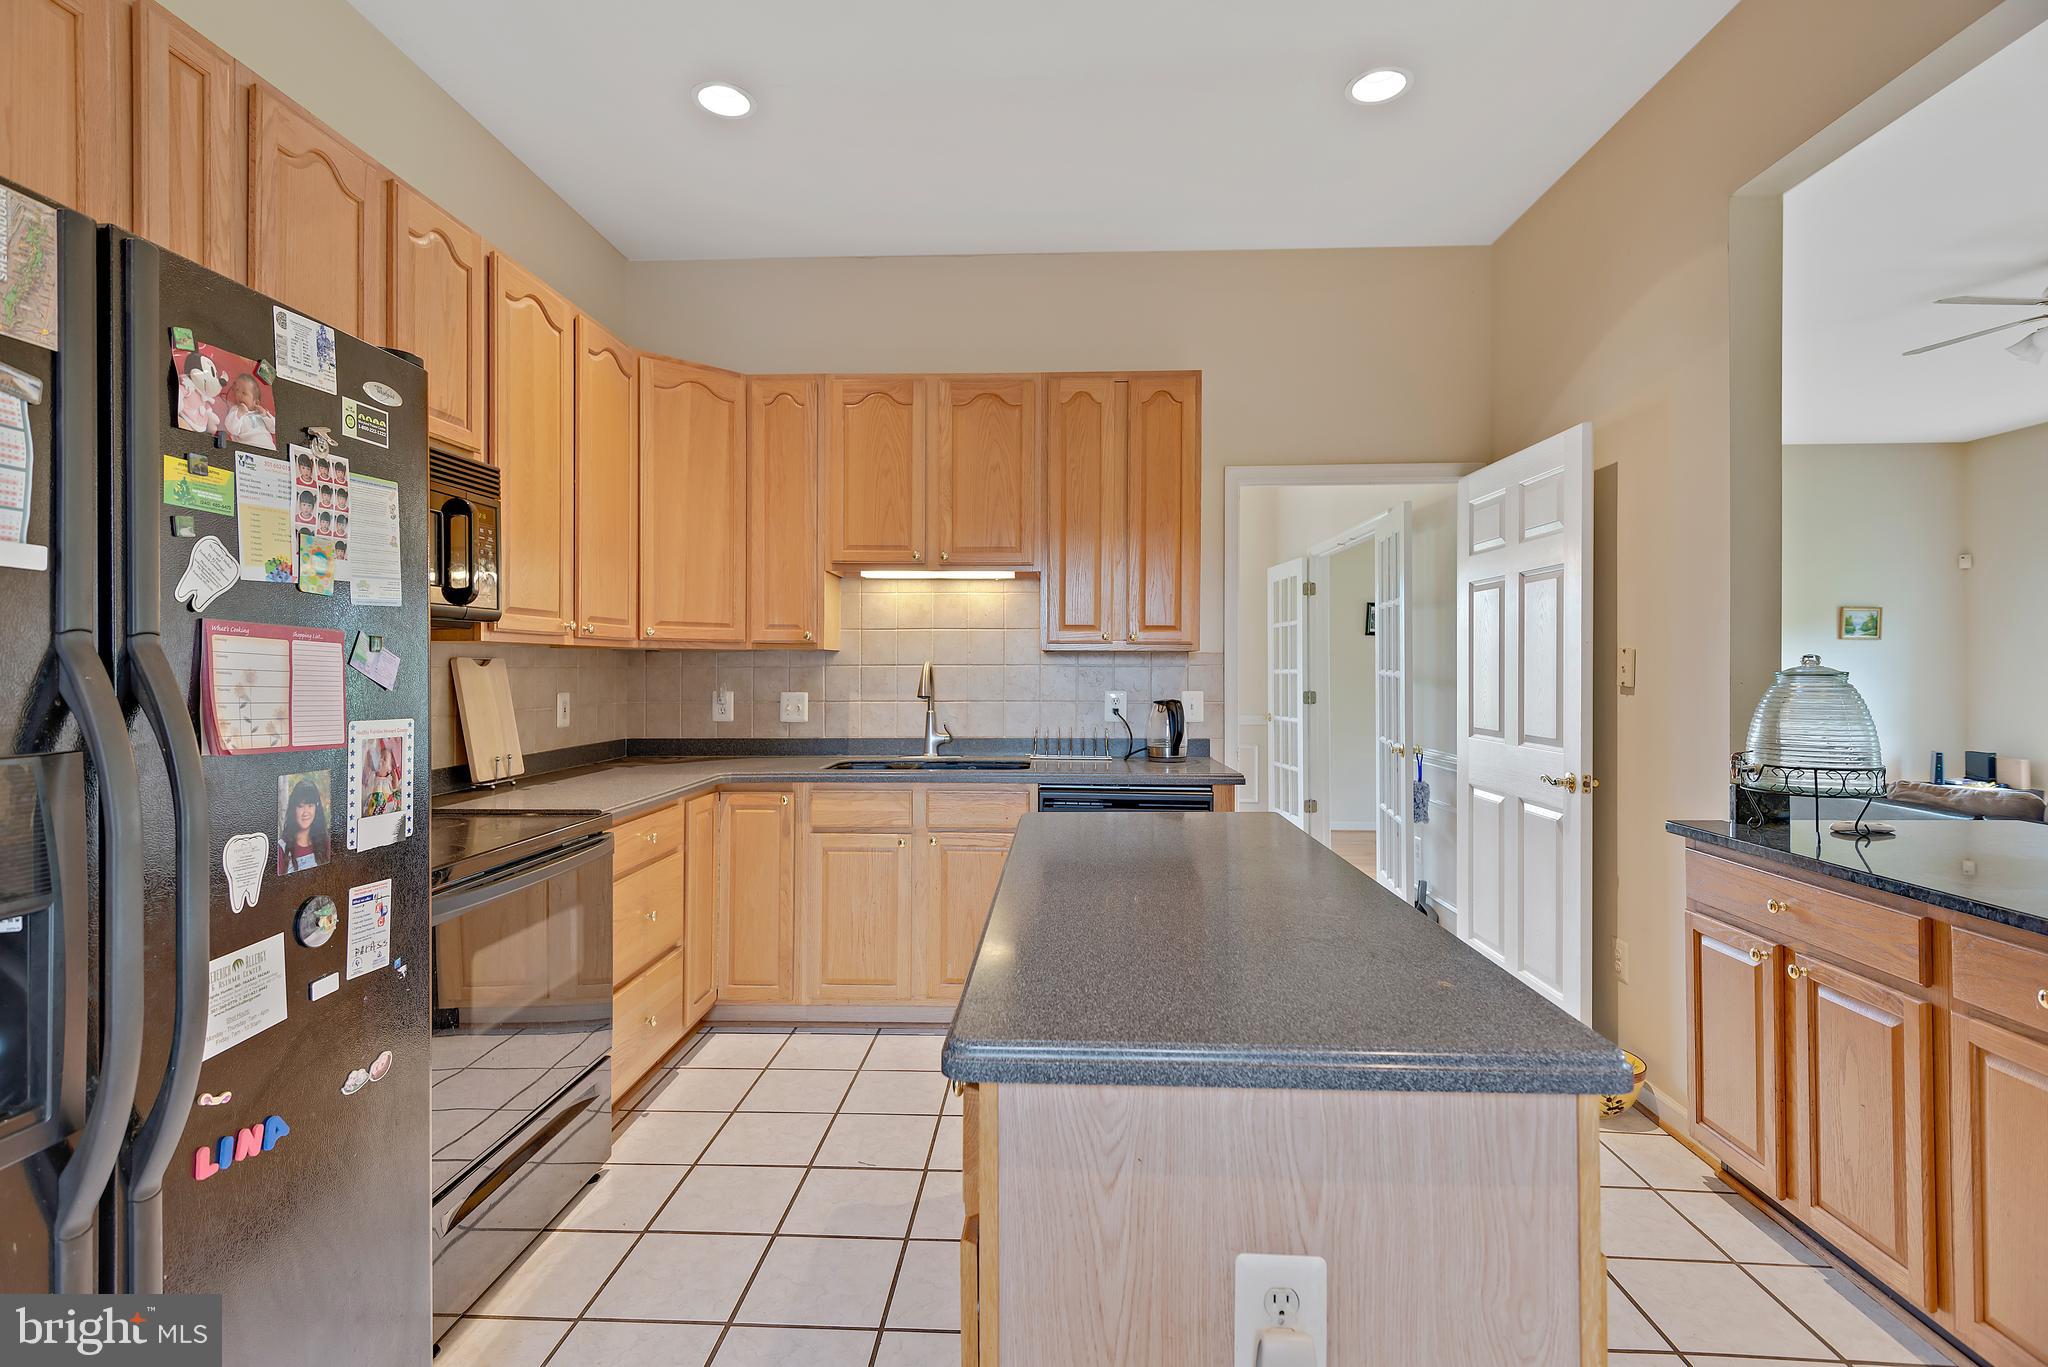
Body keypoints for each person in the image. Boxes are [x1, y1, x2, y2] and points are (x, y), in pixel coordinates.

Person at [277, 777, 328, 874]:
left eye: (310, 805)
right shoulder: (281, 849)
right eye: (300, 806)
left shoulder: (325, 843)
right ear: (293, 809)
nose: (306, 812)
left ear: (316, 808)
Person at [220, 372, 276, 449]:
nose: (238, 395)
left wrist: (265, 415)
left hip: (268, 447)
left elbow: (274, 429)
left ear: (255, 402)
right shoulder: (236, 410)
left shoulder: (261, 413)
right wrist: (240, 413)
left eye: (244, 393)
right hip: (248, 448)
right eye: (237, 391)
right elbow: (231, 429)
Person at [363, 740, 401, 816]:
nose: (381, 760)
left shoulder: (388, 779)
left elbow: (395, 785)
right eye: (380, 757)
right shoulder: (373, 775)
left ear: (389, 768)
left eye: (384, 759)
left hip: (386, 801)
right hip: (374, 801)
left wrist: (393, 772)